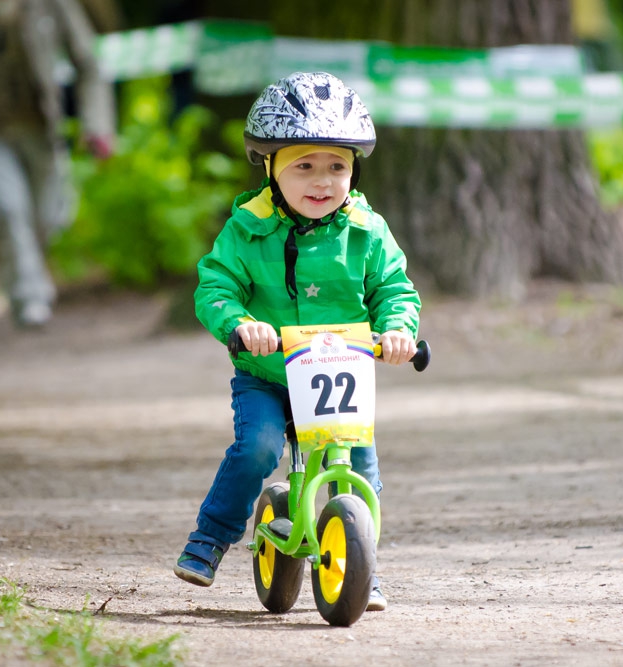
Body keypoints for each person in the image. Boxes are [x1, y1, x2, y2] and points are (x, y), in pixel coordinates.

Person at [173, 72, 422, 613]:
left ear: (354, 170)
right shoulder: (248, 227)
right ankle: (211, 539)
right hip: (268, 375)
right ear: (271, 167)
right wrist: (239, 324)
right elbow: (216, 285)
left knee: (358, 467)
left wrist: (400, 331)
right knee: (258, 447)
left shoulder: (366, 230)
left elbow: (394, 288)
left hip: (340, 375)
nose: (322, 180)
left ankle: (363, 568)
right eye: (303, 165)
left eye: (337, 166)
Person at [0, 0, 115, 327]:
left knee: (47, 216)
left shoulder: (53, 4)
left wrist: (96, 125)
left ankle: (29, 281)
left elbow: (89, 63)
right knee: (8, 207)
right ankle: (29, 298)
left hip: (39, 126)